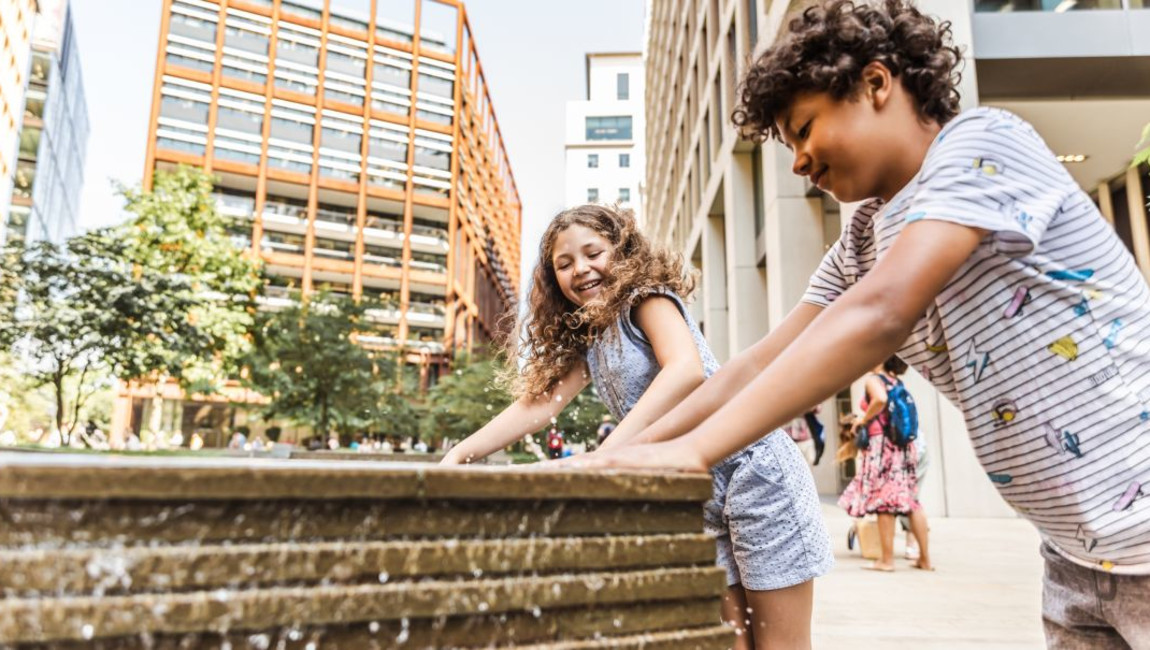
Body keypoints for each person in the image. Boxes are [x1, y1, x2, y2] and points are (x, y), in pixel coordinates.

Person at [570, 1, 1150, 644]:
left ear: (877, 83)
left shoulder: (984, 142)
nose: (797, 161)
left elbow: (881, 313)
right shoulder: (863, 240)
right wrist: (617, 458)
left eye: (804, 128)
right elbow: (753, 365)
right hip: (1074, 557)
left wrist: (692, 453)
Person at [441, 204, 832, 648]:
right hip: (695, 493)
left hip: (755, 473)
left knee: (779, 644)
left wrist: (608, 456)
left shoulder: (647, 299)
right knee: (729, 643)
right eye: (564, 264)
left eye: (593, 253)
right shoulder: (589, 338)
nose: (581, 269)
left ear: (622, 251)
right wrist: (461, 453)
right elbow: (538, 405)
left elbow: (685, 370)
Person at [838, 356, 931, 572]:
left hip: (883, 446)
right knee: (911, 502)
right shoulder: (896, 381)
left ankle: (886, 561)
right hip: (903, 446)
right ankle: (925, 560)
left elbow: (879, 399)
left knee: (884, 502)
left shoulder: (875, 380)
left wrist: (863, 419)